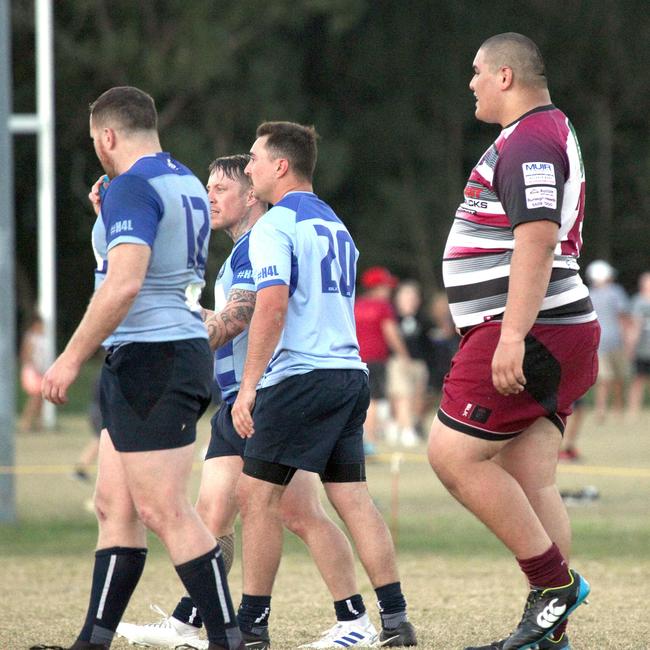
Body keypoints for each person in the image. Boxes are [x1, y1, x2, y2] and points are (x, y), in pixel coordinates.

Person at [115, 154, 378, 649]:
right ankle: (201, 622)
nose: (210, 197)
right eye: (207, 188)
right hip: (247, 398)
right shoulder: (243, 249)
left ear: (251, 193)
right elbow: (228, 313)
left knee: (242, 512)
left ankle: (342, 621)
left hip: (261, 398)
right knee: (253, 512)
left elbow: (239, 318)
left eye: (221, 188)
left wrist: (168, 330)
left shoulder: (262, 243)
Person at [33, 87, 241, 650]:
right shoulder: (183, 181)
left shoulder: (132, 186)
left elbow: (126, 281)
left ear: (107, 137)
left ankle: (229, 639)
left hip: (157, 355)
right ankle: (92, 641)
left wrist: (70, 357)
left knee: (163, 508)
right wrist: (109, 218)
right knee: (114, 505)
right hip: (155, 353)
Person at [426, 34, 599, 650]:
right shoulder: (539, 133)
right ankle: (550, 633)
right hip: (553, 325)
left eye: (475, 72)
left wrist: (513, 335)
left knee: (451, 454)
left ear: (505, 76)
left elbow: (537, 236)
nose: (469, 83)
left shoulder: (529, 138)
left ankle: (554, 589)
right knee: (530, 473)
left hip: (534, 325)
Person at [231, 121, 417, 648]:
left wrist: (249, 387)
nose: (249, 168)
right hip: (349, 376)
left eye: (254, 158)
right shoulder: (338, 224)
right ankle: (396, 620)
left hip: (302, 378)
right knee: (353, 499)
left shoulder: (273, 226)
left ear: (280, 166)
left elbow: (272, 304)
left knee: (256, 498)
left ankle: (251, 627)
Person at [354, 267, 410, 452]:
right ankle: (369, 441)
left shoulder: (356, 304)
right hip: (376, 360)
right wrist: (404, 356)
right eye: (386, 287)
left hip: (354, 359)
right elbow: (391, 333)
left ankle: (359, 439)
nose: (389, 291)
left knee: (359, 401)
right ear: (377, 288)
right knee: (374, 401)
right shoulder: (383, 307)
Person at [585, 259, 632, 421]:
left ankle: (601, 410)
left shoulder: (588, 294)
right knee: (617, 378)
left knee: (604, 379)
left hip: (598, 342)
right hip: (614, 341)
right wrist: (628, 340)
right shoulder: (616, 291)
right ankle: (616, 410)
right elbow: (623, 317)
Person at [386, 280, 431, 446]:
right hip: (398, 362)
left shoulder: (424, 319)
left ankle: (410, 424)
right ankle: (406, 430)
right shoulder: (391, 316)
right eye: (405, 296)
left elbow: (430, 343)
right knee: (402, 395)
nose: (409, 299)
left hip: (419, 363)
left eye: (413, 296)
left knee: (417, 398)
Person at [18, 313, 49, 432]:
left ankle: (38, 424)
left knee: (40, 398)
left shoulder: (43, 338)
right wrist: (35, 367)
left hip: (41, 371)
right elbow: (26, 355)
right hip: (32, 371)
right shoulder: (31, 337)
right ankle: (25, 423)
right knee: (35, 397)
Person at [627, 271, 650, 419]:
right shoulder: (638, 302)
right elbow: (634, 326)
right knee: (638, 380)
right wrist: (631, 345)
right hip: (642, 348)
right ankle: (633, 411)